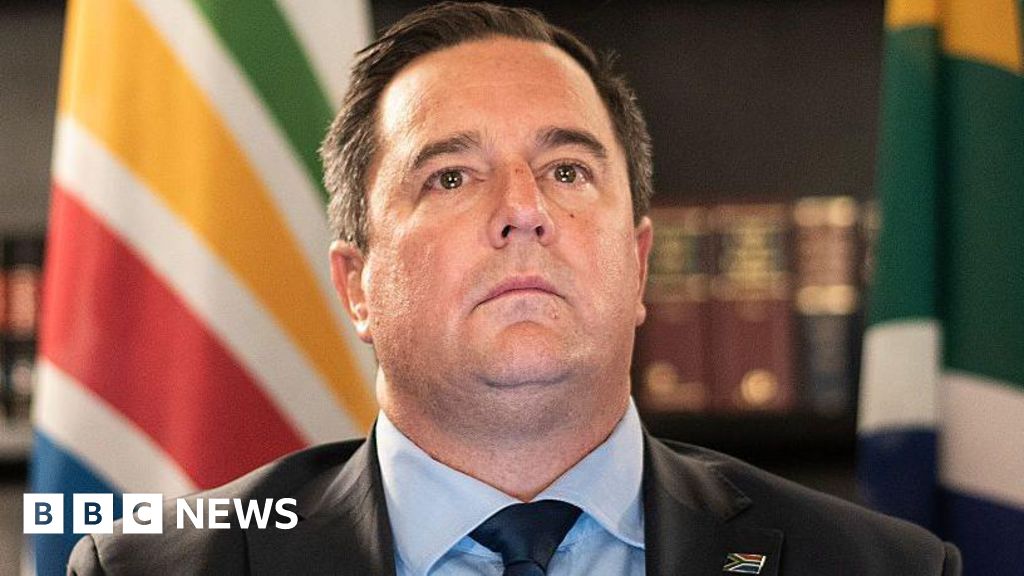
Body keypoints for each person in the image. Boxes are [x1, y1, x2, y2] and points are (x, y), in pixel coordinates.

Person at [68, 2, 960, 575]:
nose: (524, 210)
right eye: (451, 177)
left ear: (640, 263)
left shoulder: (884, 568)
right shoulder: (154, 570)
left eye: (568, 171)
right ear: (357, 286)